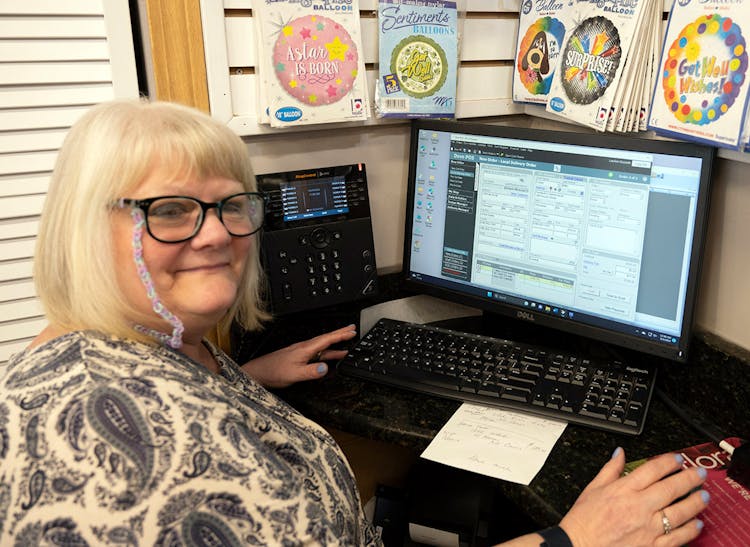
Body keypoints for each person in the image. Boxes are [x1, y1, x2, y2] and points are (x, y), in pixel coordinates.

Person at [0, 99, 709, 546]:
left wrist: (242, 381)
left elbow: (180, 408)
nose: (215, 234)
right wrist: (575, 539)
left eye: (231, 204)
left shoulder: (126, 349)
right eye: (171, 210)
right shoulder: (99, 435)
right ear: (83, 227)